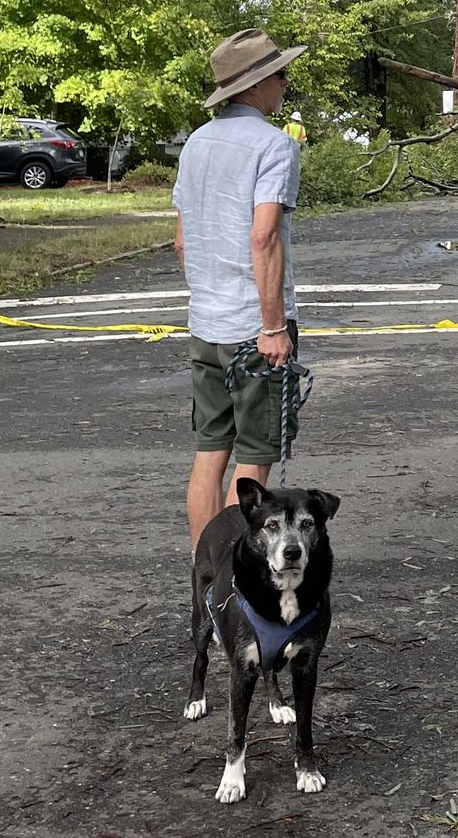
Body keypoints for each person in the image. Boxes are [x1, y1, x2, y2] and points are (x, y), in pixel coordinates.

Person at [173, 28, 306, 551]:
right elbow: (264, 234)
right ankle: (234, 577)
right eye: (279, 74)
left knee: (211, 452)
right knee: (254, 456)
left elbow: (183, 240)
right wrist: (272, 326)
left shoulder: (196, 143)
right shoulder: (274, 145)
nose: (285, 83)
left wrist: (208, 299)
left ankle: (205, 574)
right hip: (256, 326)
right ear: (254, 86)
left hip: (205, 324)